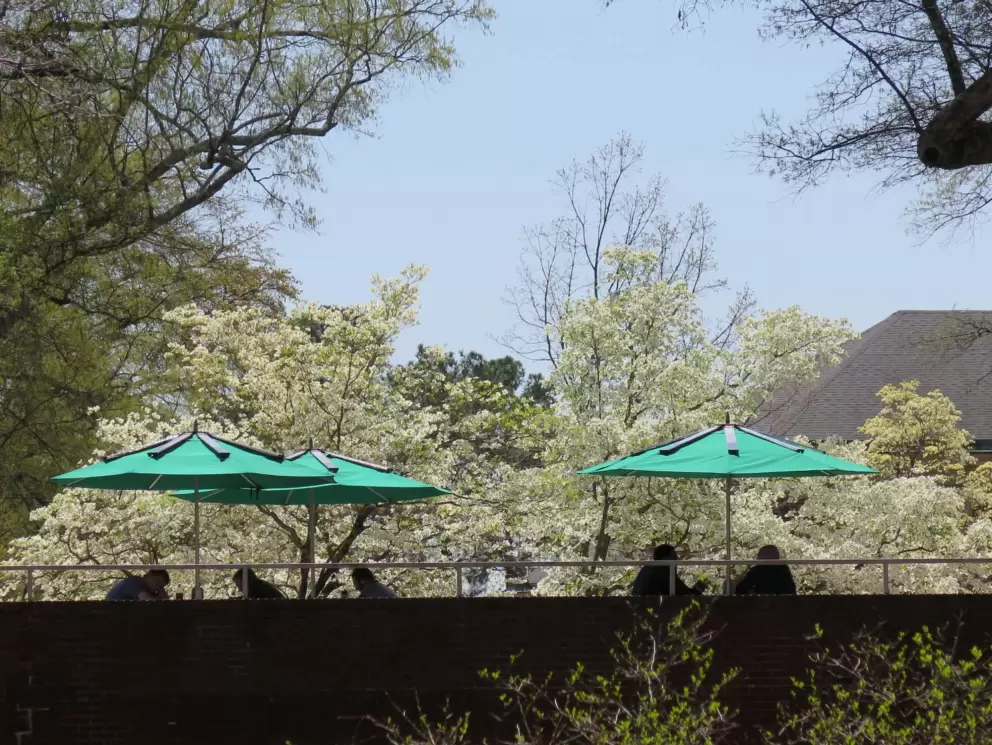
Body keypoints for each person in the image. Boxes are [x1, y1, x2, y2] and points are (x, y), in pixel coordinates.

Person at [631, 544, 704, 597]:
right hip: (653, 609)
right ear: (667, 557)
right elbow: (683, 593)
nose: (676, 561)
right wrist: (697, 590)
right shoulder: (665, 569)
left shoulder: (648, 568)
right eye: (674, 558)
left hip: (641, 606)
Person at [106, 569, 171, 601]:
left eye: (161, 586)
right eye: (157, 581)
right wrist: (162, 597)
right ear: (149, 574)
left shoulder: (148, 591)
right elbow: (146, 599)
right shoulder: (135, 581)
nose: (157, 586)